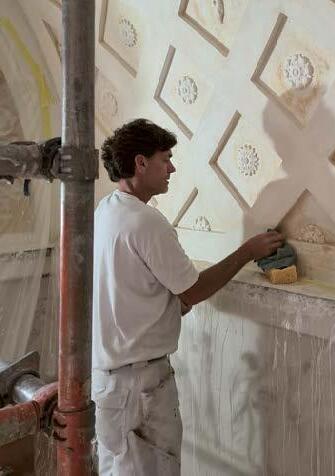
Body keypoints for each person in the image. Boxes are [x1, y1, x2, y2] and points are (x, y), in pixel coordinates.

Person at [92, 118, 283, 475]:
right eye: (165, 159)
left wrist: (166, 307)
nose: (172, 168)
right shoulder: (146, 221)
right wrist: (247, 252)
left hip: (110, 381)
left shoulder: (106, 210)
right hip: (140, 385)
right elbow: (193, 289)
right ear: (140, 163)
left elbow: (130, 289)